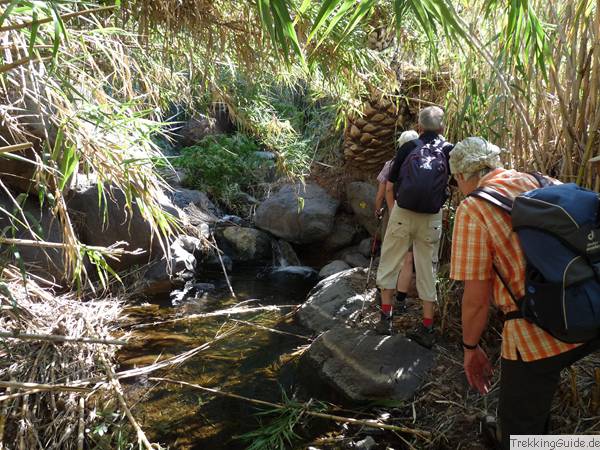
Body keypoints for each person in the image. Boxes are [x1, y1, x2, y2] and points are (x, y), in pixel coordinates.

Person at [448, 137, 599, 449]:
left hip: (537, 334)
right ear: (496, 161)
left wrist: (470, 348)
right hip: (591, 307)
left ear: (462, 176)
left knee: (520, 434)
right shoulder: (542, 181)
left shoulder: (473, 208)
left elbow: (476, 300)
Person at [375, 106, 452, 346]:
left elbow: (393, 180)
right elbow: (458, 181)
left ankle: (385, 318)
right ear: (442, 128)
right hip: (432, 217)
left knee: (390, 261)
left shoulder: (408, 147)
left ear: (419, 127)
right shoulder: (449, 150)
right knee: (427, 268)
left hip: (403, 213)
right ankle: (427, 329)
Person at [374, 131, 418, 333]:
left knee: (389, 256)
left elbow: (383, 192)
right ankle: (401, 299)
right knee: (408, 259)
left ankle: (385, 303)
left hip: (396, 216)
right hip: (417, 217)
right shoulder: (422, 162)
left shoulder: (391, 164)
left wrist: (381, 210)